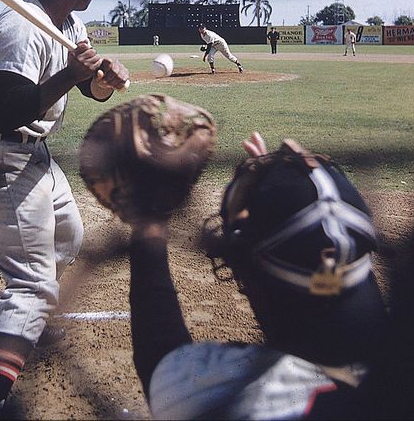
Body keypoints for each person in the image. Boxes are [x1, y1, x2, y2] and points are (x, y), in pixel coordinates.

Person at [0, 0, 129, 409]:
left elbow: (88, 90)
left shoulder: (69, 25)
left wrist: (102, 81)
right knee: (33, 279)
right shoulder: (20, 27)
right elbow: (11, 109)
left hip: (34, 157)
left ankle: (26, 318)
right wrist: (72, 75)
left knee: (67, 238)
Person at [126, 132, 389, 419]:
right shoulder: (405, 370)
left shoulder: (238, 396)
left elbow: (161, 351)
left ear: (252, 278)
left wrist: (149, 222)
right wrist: (287, 195)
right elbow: (333, 249)